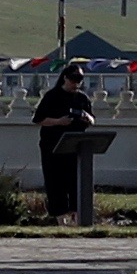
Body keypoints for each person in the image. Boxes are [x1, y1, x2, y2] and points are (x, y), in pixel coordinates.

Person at [31, 59, 101, 222]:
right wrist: (58, 121)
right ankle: (59, 217)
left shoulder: (82, 98)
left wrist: (86, 118)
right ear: (65, 78)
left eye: (79, 81)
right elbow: (39, 119)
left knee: (75, 182)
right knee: (55, 182)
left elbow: (92, 119)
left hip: (76, 146)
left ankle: (78, 215)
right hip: (53, 146)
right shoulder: (52, 96)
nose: (75, 84)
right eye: (73, 80)